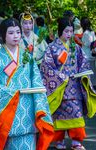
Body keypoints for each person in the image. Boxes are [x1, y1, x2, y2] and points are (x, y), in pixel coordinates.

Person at [0, 18, 54, 150]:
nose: (15, 36)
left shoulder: (27, 57)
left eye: (17, 32)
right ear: (3, 35)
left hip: (26, 107)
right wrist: (9, 93)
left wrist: (39, 103)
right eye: (11, 33)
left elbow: (36, 81)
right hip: (5, 108)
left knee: (28, 142)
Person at [40, 17, 96, 150]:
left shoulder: (76, 47)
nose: (69, 34)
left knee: (77, 113)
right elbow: (46, 67)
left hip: (74, 87)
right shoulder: (52, 48)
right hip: (60, 88)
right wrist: (61, 77)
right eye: (66, 31)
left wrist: (82, 73)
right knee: (59, 116)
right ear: (60, 31)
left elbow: (83, 62)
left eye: (71, 31)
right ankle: (59, 140)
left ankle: (77, 140)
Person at [81, 17, 96, 89]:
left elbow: (87, 44)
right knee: (93, 71)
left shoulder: (85, 33)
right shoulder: (92, 32)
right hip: (92, 54)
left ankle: (89, 87)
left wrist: (78, 40)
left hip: (86, 55)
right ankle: (93, 86)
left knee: (88, 72)